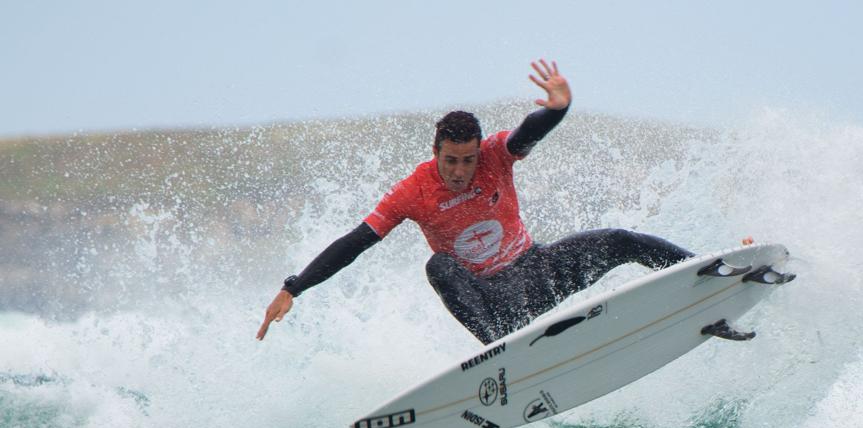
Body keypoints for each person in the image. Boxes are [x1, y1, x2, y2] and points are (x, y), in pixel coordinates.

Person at [257, 59, 694, 345]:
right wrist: (293, 287)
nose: (460, 170)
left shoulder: (494, 156)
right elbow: (355, 242)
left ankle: (706, 270)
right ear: (436, 153)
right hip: (492, 301)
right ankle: (504, 350)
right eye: (451, 161)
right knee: (438, 267)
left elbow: (527, 132)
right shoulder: (413, 191)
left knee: (619, 240)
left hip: (537, 271)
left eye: (467, 160)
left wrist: (559, 109)